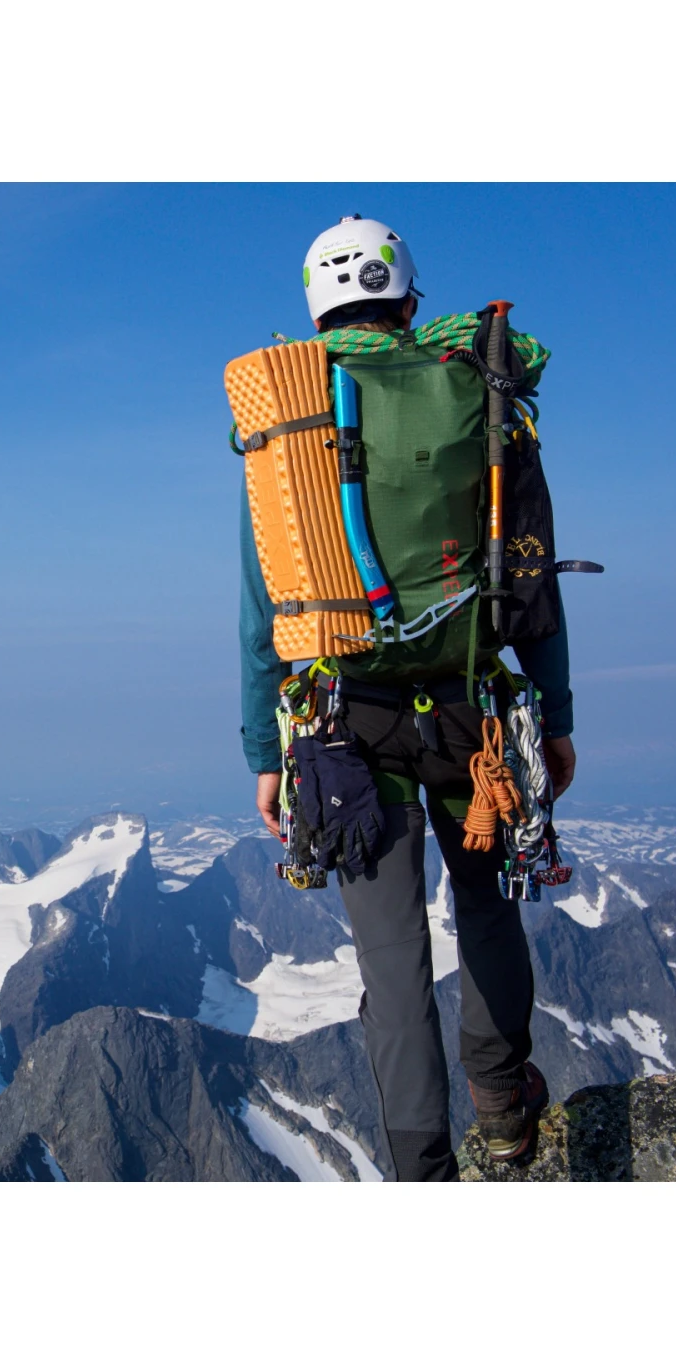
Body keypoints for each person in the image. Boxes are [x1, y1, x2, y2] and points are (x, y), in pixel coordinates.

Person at [238, 216, 576, 1181]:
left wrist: (265, 750)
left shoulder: (293, 426)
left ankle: (424, 1176)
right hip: (475, 714)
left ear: (317, 308)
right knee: (489, 913)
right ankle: (503, 1107)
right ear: (407, 297)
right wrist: (555, 718)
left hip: (345, 731)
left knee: (392, 966)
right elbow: (530, 569)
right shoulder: (479, 385)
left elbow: (264, 606)